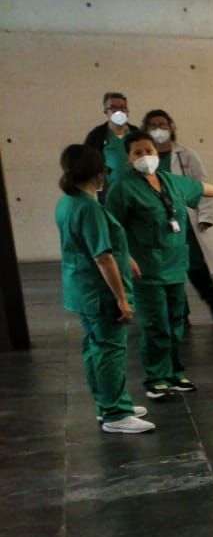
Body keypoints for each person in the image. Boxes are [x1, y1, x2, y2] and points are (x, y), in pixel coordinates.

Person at [104, 129, 213, 401]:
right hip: (146, 267)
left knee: (175, 321)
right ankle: (156, 377)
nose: (145, 156)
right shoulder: (123, 188)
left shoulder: (169, 180)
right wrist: (126, 257)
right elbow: (113, 227)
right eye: (138, 152)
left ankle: (174, 372)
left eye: (148, 151)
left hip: (173, 264)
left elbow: (198, 187)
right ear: (128, 158)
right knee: (156, 323)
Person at [56, 144, 151, 434]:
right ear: (99, 173)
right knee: (109, 350)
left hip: (80, 289)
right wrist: (121, 298)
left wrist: (128, 258)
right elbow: (102, 256)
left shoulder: (67, 203)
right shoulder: (89, 208)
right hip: (99, 293)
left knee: (95, 348)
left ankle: (108, 402)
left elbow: (96, 246)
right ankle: (115, 412)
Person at [142, 109, 213, 322]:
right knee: (170, 271)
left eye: (163, 124)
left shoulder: (186, 155)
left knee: (196, 267)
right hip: (158, 225)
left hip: (185, 221)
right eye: (153, 126)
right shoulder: (143, 160)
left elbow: (201, 184)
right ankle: (180, 314)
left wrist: (205, 216)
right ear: (145, 130)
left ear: (171, 127)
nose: (159, 130)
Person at [82, 92, 139, 186]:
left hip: (134, 187)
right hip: (107, 190)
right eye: (113, 108)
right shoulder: (96, 136)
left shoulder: (136, 133)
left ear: (127, 111)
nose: (118, 112)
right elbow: (87, 164)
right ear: (106, 112)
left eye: (122, 108)